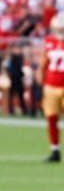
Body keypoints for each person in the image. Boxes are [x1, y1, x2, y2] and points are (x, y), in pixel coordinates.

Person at [41, 18, 64, 161]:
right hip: (51, 85)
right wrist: (42, 80)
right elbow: (44, 61)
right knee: (51, 118)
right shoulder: (50, 42)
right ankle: (55, 150)